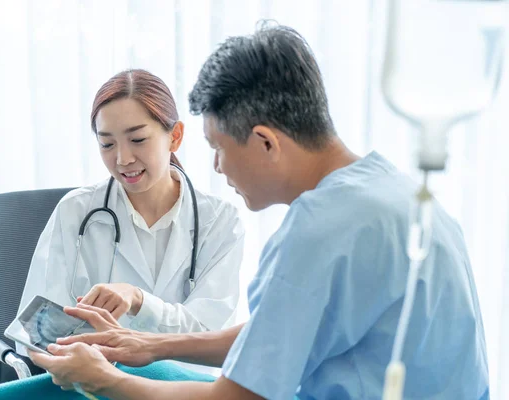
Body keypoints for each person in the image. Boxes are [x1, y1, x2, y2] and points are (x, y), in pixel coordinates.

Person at [29, 25, 489, 400]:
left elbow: (239, 397)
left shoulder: (316, 231)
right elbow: (284, 325)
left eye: (219, 148)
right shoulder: (396, 193)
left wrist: (109, 379)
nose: (215, 166)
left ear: (266, 142)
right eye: (107, 143)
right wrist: (152, 345)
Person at [18, 69, 245, 348]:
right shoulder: (74, 213)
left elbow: (210, 334)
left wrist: (138, 300)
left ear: (175, 136)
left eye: (137, 140)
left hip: (181, 385)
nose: (123, 159)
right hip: (93, 383)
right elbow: (39, 331)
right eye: (107, 144)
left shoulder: (220, 221)